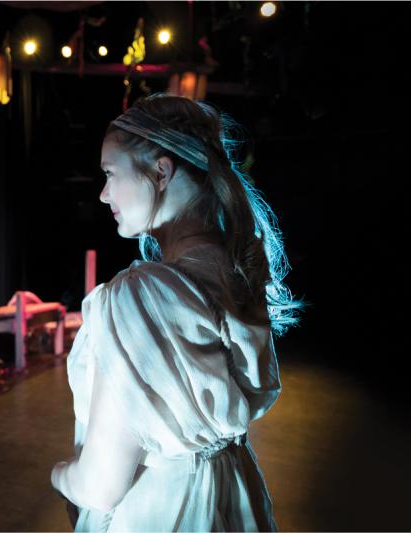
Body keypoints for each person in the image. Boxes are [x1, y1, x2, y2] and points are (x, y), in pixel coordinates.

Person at [50, 94, 303, 532]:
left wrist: (59, 476)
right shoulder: (237, 272)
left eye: (111, 173)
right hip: (233, 496)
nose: (104, 191)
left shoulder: (142, 297)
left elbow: (100, 486)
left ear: (161, 171)